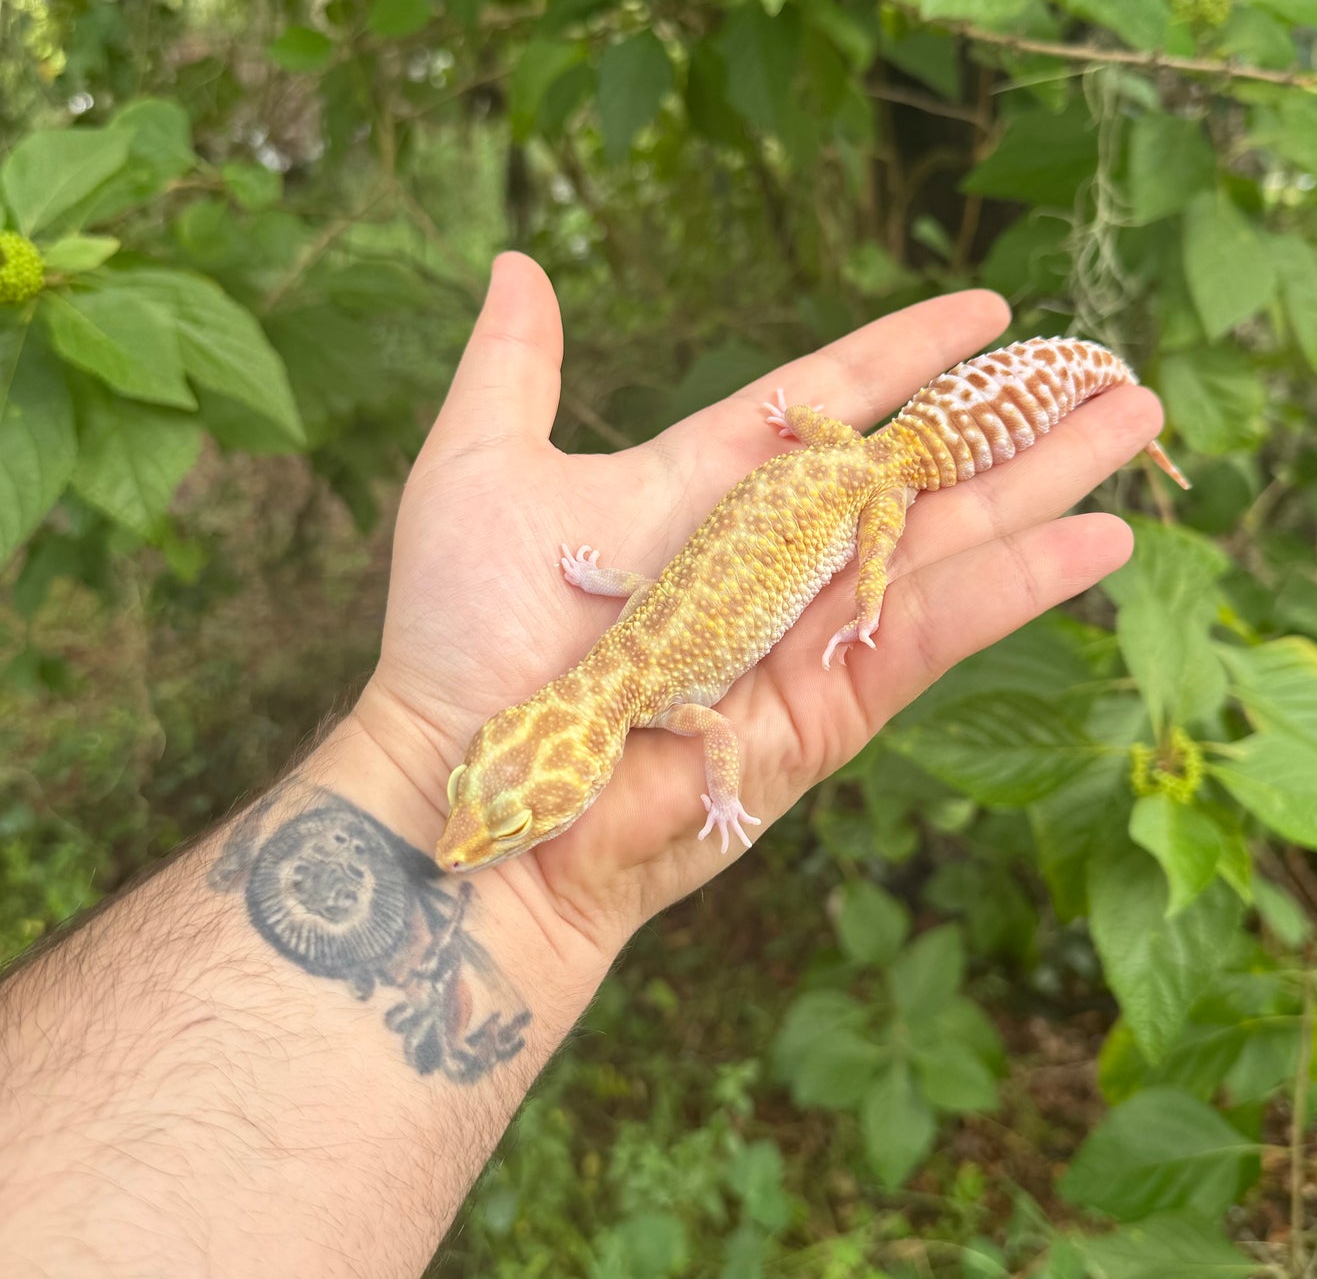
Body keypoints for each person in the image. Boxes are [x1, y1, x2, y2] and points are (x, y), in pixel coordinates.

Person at [0, 253, 1163, 1276]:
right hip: (836, 457)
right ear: (530, 730)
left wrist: (839, 634)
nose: (457, 843)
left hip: (867, 477)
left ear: (555, 743)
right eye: (478, 808)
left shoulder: (652, 687)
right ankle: (1074, 374)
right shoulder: (629, 664)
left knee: (919, 545)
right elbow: (660, 626)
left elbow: (716, 730)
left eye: (495, 823)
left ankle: (1083, 378)